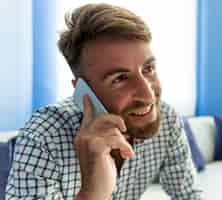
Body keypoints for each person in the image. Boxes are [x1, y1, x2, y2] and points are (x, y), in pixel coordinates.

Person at [6, 3, 202, 200]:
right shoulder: (43, 138)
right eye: (120, 78)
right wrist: (92, 193)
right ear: (84, 92)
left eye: (148, 69)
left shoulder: (166, 119)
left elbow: (189, 195)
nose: (147, 95)